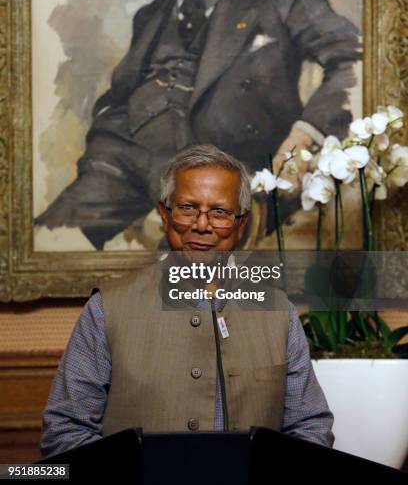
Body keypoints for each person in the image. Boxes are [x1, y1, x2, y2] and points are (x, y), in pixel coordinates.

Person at [35, 0, 361, 249]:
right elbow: (119, 97)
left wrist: (305, 135)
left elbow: (354, 55)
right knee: (49, 242)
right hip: (119, 167)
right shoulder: (150, 15)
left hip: (219, 175)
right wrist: (102, 151)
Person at [39, 144, 334, 458]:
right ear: (165, 215)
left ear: (241, 223)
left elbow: (309, 428)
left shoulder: (279, 313)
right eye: (188, 208)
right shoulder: (106, 310)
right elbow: (64, 432)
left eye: (219, 212)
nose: (202, 225)